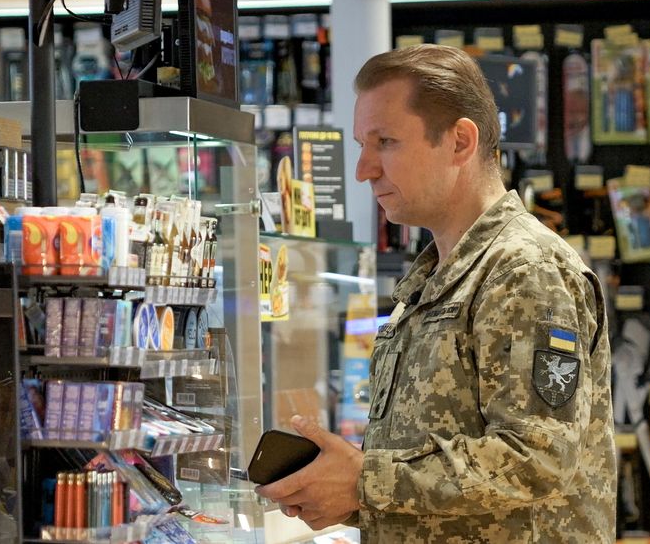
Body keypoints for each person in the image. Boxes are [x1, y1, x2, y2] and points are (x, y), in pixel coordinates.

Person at [255, 44, 617, 543]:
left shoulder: (524, 270)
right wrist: (346, 492)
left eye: (385, 142)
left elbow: (537, 458)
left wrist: (365, 481)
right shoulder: (435, 277)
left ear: (460, 142)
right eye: (363, 144)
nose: (364, 169)